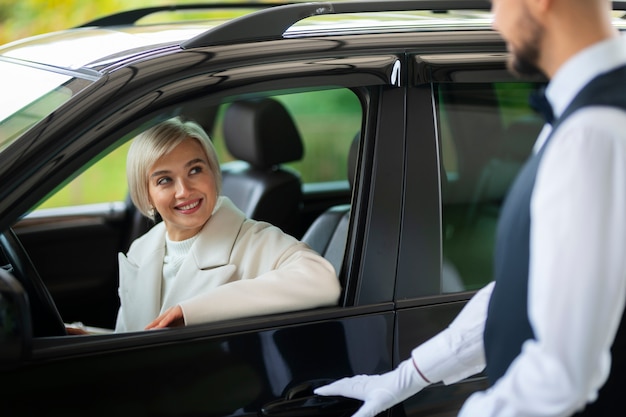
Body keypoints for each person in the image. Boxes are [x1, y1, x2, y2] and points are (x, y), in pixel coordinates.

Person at [315, 1, 626, 416]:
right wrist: (406, 377)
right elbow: (525, 285)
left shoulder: (594, 133)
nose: (496, 20)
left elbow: (561, 374)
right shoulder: (580, 121)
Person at [115, 116, 341, 332]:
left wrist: (192, 312)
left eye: (195, 170)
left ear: (212, 173)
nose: (184, 191)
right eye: (165, 180)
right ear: (146, 194)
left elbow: (322, 281)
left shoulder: (253, 240)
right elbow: (135, 337)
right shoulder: (140, 250)